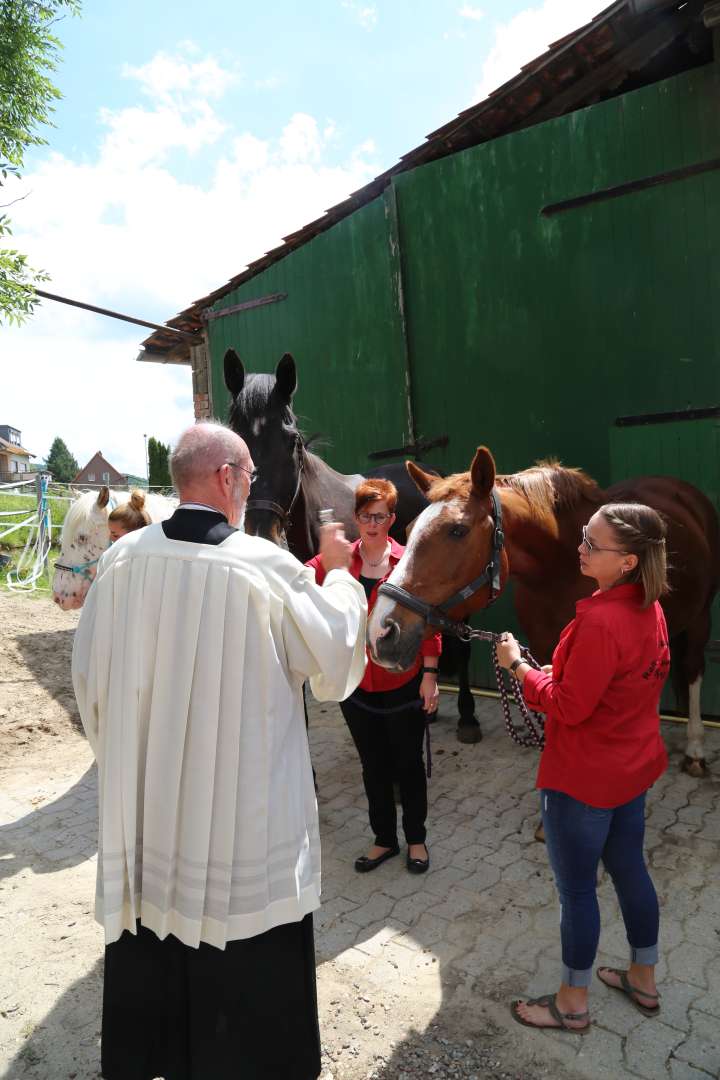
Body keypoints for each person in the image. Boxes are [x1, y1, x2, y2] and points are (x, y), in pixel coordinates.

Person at [72, 421, 367, 1080]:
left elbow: (88, 679)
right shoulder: (264, 568)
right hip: (239, 827)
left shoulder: (121, 562)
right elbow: (332, 663)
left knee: (154, 923)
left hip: (149, 823)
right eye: (251, 479)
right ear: (230, 479)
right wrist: (344, 580)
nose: (251, 489)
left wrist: (128, 760)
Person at [496, 502, 670, 1034]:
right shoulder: (650, 608)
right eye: (584, 537)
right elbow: (610, 682)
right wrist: (561, 671)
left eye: (594, 544)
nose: (581, 548)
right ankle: (644, 976)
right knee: (630, 870)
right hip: (630, 769)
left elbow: (569, 706)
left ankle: (572, 1001)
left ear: (628, 563)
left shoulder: (600, 620)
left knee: (577, 893)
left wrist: (520, 667)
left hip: (582, 779)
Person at [307, 478, 440, 875]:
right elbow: (296, 581)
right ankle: (384, 838)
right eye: (365, 515)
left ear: (392, 519)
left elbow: (427, 626)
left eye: (380, 515)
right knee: (373, 766)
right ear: (356, 517)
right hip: (358, 685)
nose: (372, 522)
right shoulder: (339, 560)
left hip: (404, 682)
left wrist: (430, 674)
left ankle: (416, 839)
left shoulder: (408, 563)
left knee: (409, 765)